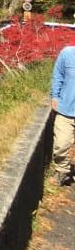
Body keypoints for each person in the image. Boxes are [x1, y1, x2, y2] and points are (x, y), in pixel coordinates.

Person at [50, 44, 75, 185]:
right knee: (61, 145)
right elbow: (57, 75)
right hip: (66, 109)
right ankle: (62, 171)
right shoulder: (67, 53)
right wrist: (55, 96)